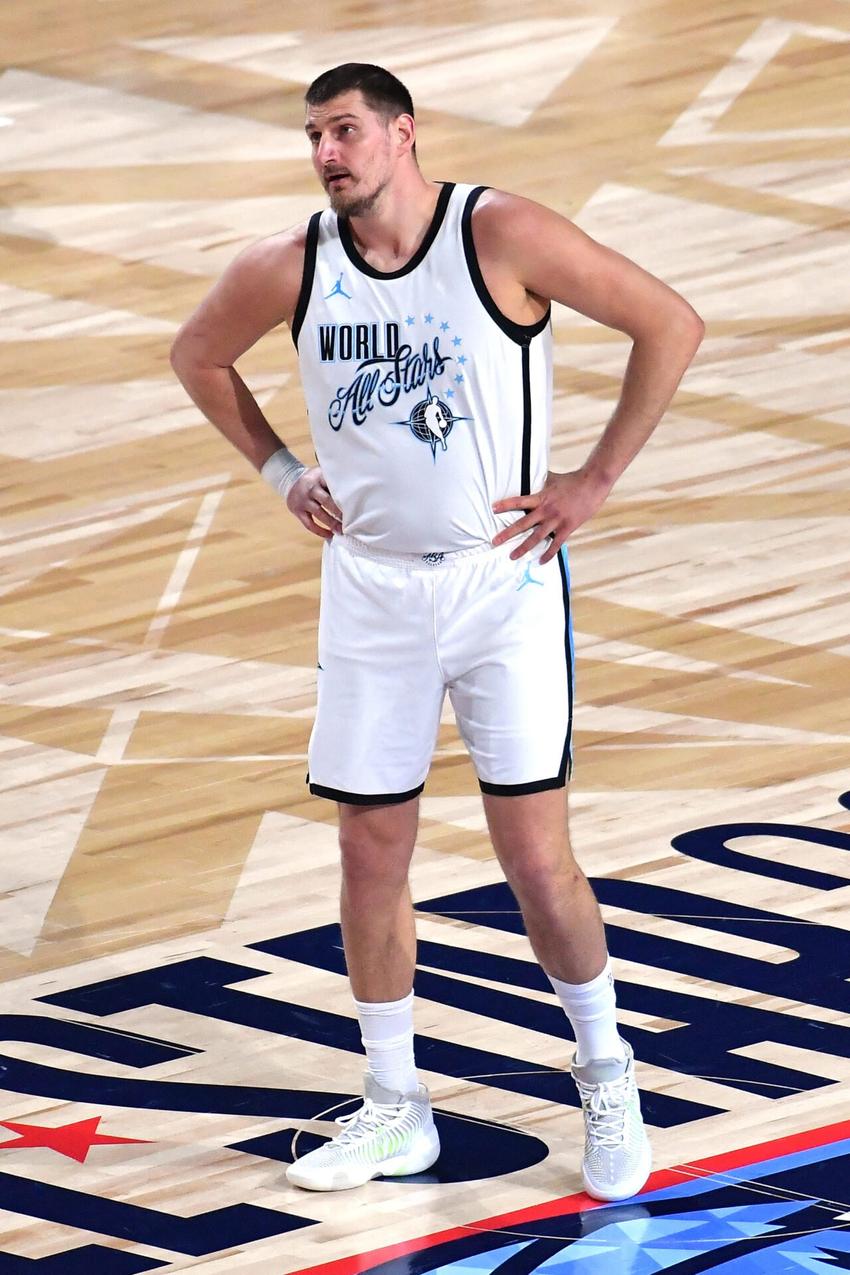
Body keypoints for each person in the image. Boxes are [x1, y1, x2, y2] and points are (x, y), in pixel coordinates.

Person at [170, 62, 704, 1200]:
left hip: (501, 583)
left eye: (347, 129)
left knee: (534, 859)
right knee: (371, 849)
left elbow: (669, 320)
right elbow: (197, 355)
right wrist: (276, 470)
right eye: (315, 134)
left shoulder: (495, 231)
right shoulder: (292, 264)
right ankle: (393, 1105)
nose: (327, 152)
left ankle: (607, 1071)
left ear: (404, 135)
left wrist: (596, 478)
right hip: (370, 592)